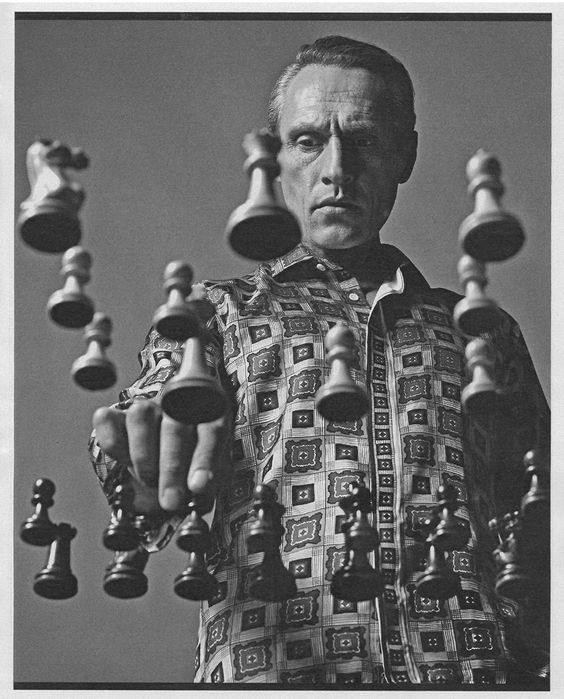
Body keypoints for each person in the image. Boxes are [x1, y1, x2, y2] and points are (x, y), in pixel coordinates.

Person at [89, 36, 549, 685]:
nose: (337, 167)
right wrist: (139, 473)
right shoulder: (211, 314)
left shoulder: (481, 330)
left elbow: (543, 515)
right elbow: (151, 423)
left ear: (405, 154)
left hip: (475, 674)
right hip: (276, 669)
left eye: (365, 140)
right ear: (276, 158)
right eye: (308, 141)